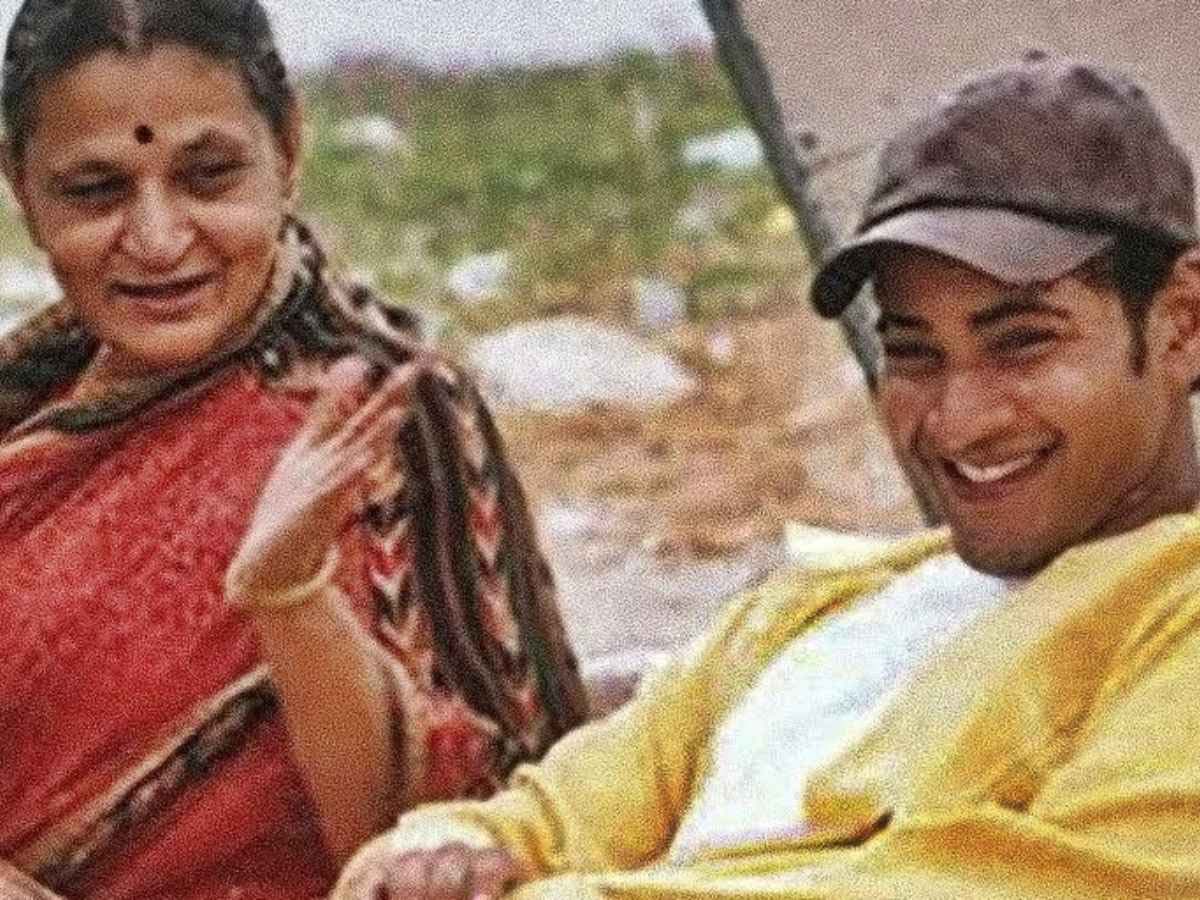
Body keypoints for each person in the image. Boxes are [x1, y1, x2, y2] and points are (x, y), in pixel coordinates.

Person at [332, 51, 1200, 899]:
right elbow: (554, 812)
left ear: (1182, 325)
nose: (957, 419)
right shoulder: (824, 605)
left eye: (1023, 344)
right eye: (913, 353)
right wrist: (451, 849)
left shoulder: (1171, 607)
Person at [0, 1, 589, 898]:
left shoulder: (378, 421)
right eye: (96, 191)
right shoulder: (32, 399)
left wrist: (290, 598)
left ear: (287, 148)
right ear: (21, 188)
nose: (158, 240)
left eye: (209, 176)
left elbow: (465, 837)